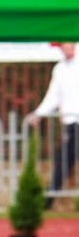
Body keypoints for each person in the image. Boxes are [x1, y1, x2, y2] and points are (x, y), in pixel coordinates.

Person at [30, 42, 79, 209]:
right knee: (62, 161)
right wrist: (38, 114)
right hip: (71, 124)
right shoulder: (59, 69)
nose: (69, 49)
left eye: (71, 46)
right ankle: (47, 201)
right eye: (65, 46)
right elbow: (53, 96)